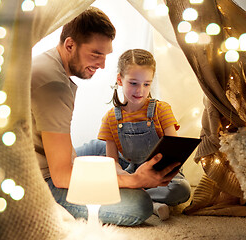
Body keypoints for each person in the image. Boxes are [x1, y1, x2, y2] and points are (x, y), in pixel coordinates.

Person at [31, 7, 180, 226]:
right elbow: (62, 177)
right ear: (70, 45)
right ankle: (142, 186)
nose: (102, 65)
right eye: (96, 54)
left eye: (105, 55)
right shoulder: (53, 85)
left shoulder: (49, 62)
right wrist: (134, 180)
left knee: (101, 148)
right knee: (139, 205)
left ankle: (134, 175)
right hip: (43, 181)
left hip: (50, 156)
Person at [97, 49, 191, 220]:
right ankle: (152, 204)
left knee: (182, 190)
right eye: (133, 83)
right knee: (108, 183)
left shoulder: (161, 109)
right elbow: (112, 163)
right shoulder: (110, 118)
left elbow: (176, 150)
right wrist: (130, 179)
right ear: (120, 80)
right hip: (133, 174)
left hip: (162, 175)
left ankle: (142, 198)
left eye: (146, 84)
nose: (140, 90)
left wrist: (154, 177)